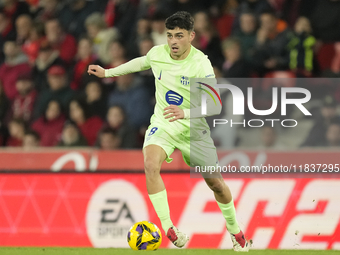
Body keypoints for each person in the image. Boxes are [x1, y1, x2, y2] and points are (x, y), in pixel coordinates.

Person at [88, 11, 249, 251]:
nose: (173, 41)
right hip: (164, 124)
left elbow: (215, 104)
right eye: (170, 35)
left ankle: (236, 232)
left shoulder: (200, 63)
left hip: (194, 129)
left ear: (191, 36)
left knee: (216, 184)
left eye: (179, 36)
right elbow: (140, 62)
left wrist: (185, 112)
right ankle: (169, 228)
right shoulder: (158, 54)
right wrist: (108, 72)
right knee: (151, 165)